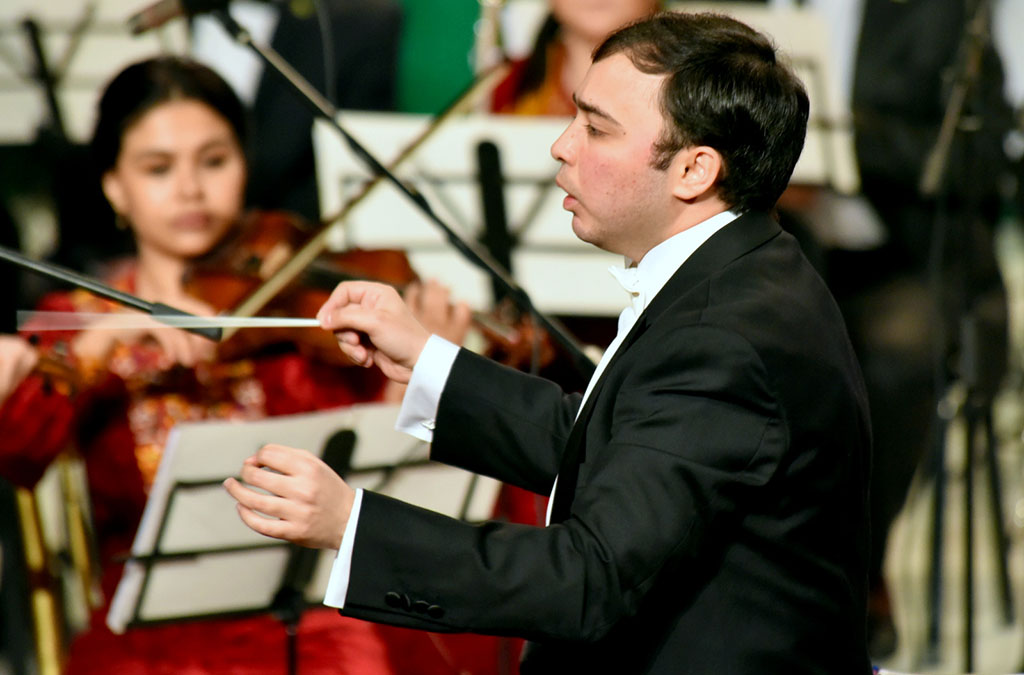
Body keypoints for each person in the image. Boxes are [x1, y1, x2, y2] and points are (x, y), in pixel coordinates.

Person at [226, 11, 873, 672]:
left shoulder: (722, 337)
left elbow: (588, 579)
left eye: (596, 128)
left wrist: (350, 524)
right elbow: (612, 439)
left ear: (694, 169)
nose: (562, 146)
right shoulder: (749, 265)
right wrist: (423, 360)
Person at [0, 55, 503, 674]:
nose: (190, 189)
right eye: (158, 169)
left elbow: (371, 463)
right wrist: (113, 332)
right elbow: (19, 451)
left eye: (214, 162)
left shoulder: (291, 308)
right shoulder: (78, 318)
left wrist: (422, 372)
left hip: (309, 618)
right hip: (149, 636)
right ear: (114, 187)